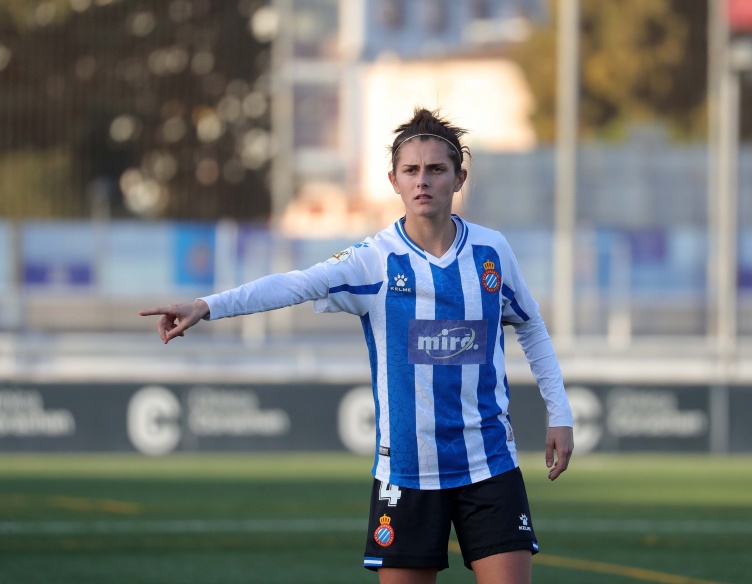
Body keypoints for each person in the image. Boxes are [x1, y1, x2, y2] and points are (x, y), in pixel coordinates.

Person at [140, 107, 573, 584]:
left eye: (436, 169)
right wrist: (207, 305)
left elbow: (531, 326)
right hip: (406, 470)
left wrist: (561, 413)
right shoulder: (375, 260)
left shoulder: (492, 252)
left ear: (459, 178)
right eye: (411, 170)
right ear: (394, 181)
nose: (423, 180)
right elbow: (294, 284)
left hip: (489, 464)